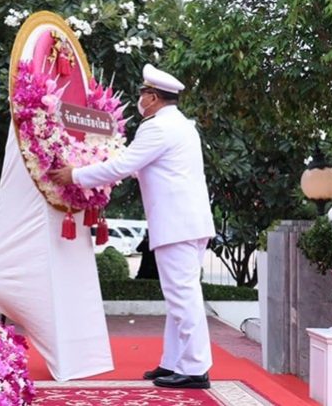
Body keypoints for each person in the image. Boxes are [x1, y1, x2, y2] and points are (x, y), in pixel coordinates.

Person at [49, 64, 216, 389]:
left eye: (142, 93)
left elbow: (125, 166)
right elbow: (144, 168)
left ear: (152, 97)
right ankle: (174, 362)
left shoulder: (157, 128)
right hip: (189, 223)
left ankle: (195, 368)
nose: (140, 99)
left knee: (183, 297)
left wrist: (76, 175)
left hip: (177, 225)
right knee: (180, 296)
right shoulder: (181, 125)